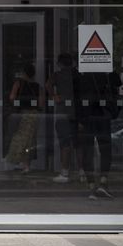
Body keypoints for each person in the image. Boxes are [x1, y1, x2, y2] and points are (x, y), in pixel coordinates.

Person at [77, 71, 121, 199]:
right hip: (103, 114)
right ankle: (102, 182)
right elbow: (117, 86)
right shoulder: (107, 74)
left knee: (88, 150)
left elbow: (78, 97)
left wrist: (79, 118)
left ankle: (91, 186)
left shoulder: (84, 76)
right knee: (105, 149)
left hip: (88, 116)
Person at [45, 53, 83, 183]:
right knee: (78, 144)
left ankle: (65, 173)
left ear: (59, 63)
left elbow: (48, 85)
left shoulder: (57, 75)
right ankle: (82, 172)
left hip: (63, 113)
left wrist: (54, 96)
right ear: (72, 62)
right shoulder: (78, 75)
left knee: (65, 144)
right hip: (77, 113)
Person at [6, 63, 44, 173]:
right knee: (30, 140)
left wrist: (20, 102)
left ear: (24, 73)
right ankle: (25, 164)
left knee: (20, 138)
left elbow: (12, 97)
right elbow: (41, 104)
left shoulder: (18, 83)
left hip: (21, 114)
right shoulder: (38, 86)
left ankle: (21, 163)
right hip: (34, 115)